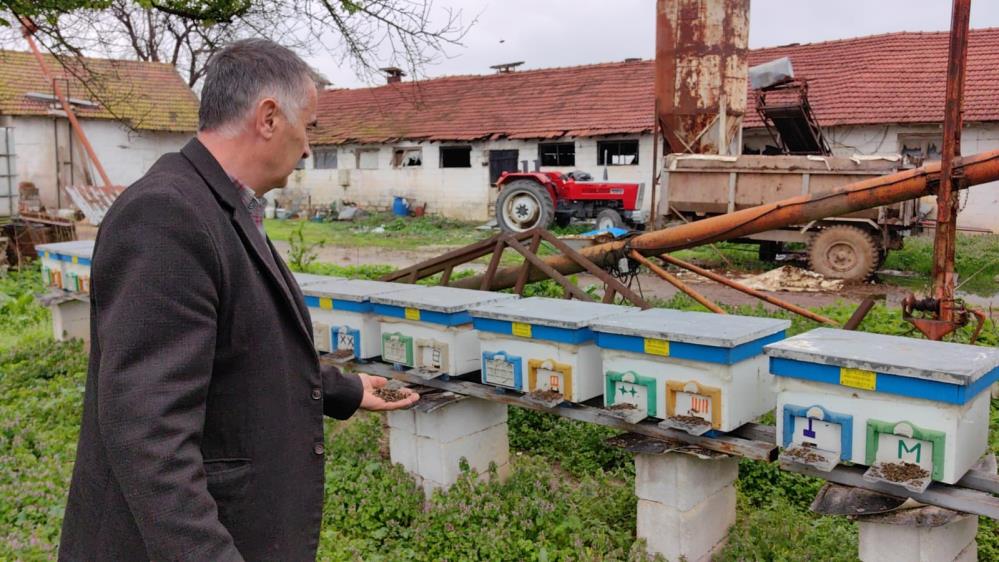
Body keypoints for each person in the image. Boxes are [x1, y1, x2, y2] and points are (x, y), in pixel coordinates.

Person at [57, 38, 418, 561]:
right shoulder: (167, 216)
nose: (309, 148)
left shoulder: (216, 204)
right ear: (269, 118)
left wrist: (342, 389)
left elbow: (240, 347)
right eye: (308, 127)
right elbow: (148, 436)